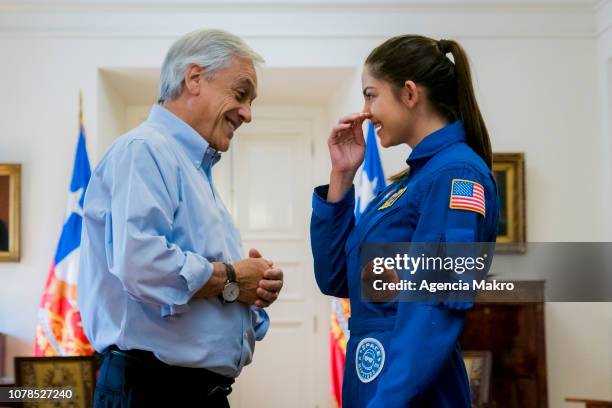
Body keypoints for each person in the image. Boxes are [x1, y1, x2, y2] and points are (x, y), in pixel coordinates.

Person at [78, 29, 284, 408]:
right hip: (153, 391)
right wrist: (235, 277)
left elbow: (202, 296)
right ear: (194, 79)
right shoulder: (145, 151)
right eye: (240, 94)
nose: (248, 114)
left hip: (193, 392)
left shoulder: (194, 172)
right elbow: (141, 263)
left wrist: (250, 295)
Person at [310, 35, 499, 407]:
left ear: (409, 94)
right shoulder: (409, 183)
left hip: (409, 389)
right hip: (376, 379)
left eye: (370, 94)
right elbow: (334, 277)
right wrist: (341, 177)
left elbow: (437, 301)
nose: (364, 111)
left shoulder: (455, 174)